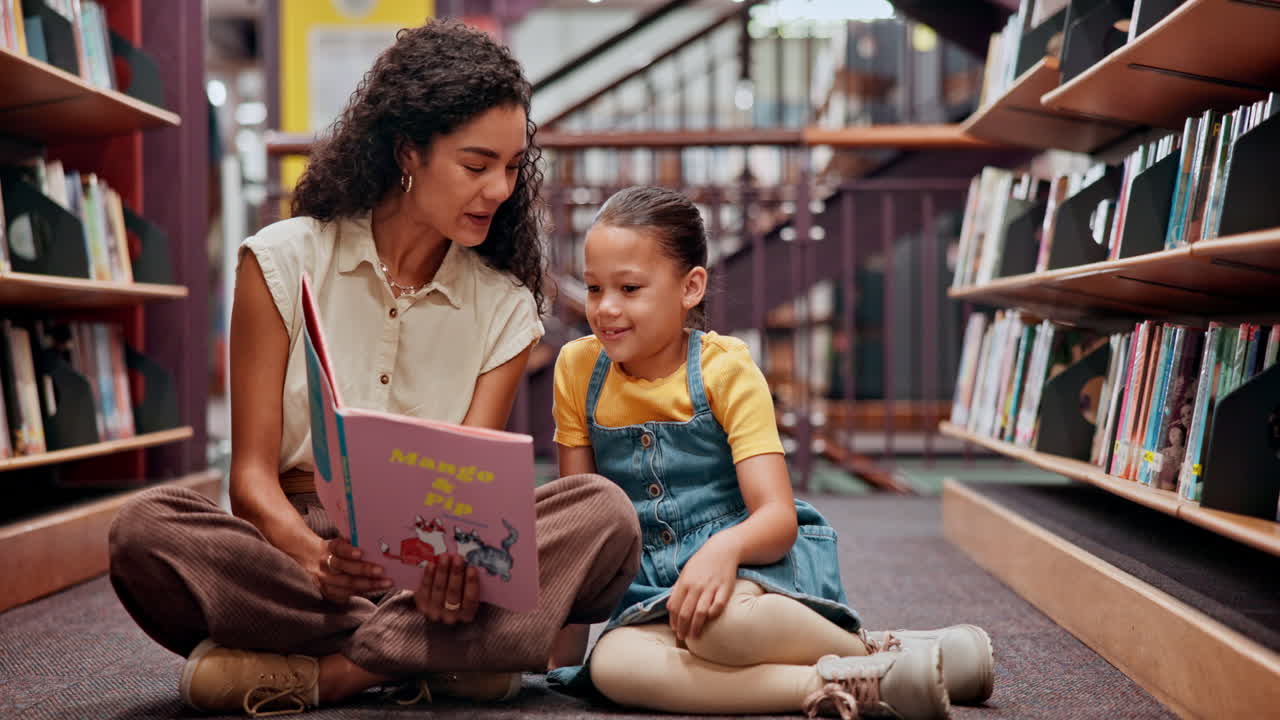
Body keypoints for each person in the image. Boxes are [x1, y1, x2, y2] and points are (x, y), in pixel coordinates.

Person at [107, 21, 640, 717]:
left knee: (603, 516)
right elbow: (250, 480)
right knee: (145, 531)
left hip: (435, 572)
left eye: (512, 168)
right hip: (298, 561)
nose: (500, 190)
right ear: (408, 151)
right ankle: (449, 659)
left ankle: (334, 674)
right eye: (476, 166)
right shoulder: (279, 260)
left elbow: (473, 508)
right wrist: (310, 556)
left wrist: (452, 576)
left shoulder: (505, 307)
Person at [545, 186, 994, 719]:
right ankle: (866, 681)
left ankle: (874, 651)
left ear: (691, 288)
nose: (606, 308)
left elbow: (777, 517)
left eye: (630, 288)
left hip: (750, 575)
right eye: (595, 288)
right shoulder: (576, 370)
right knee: (612, 666)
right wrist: (556, 655)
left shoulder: (727, 369)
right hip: (649, 602)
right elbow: (583, 530)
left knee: (720, 627)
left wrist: (722, 552)